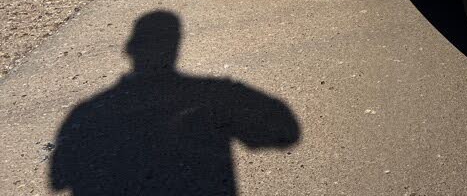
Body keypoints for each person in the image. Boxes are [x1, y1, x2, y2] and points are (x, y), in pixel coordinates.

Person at [50, 10, 300, 196]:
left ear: (129, 48)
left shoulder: (87, 113)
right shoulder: (213, 93)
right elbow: (286, 131)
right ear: (177, 47)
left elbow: (59, 179)